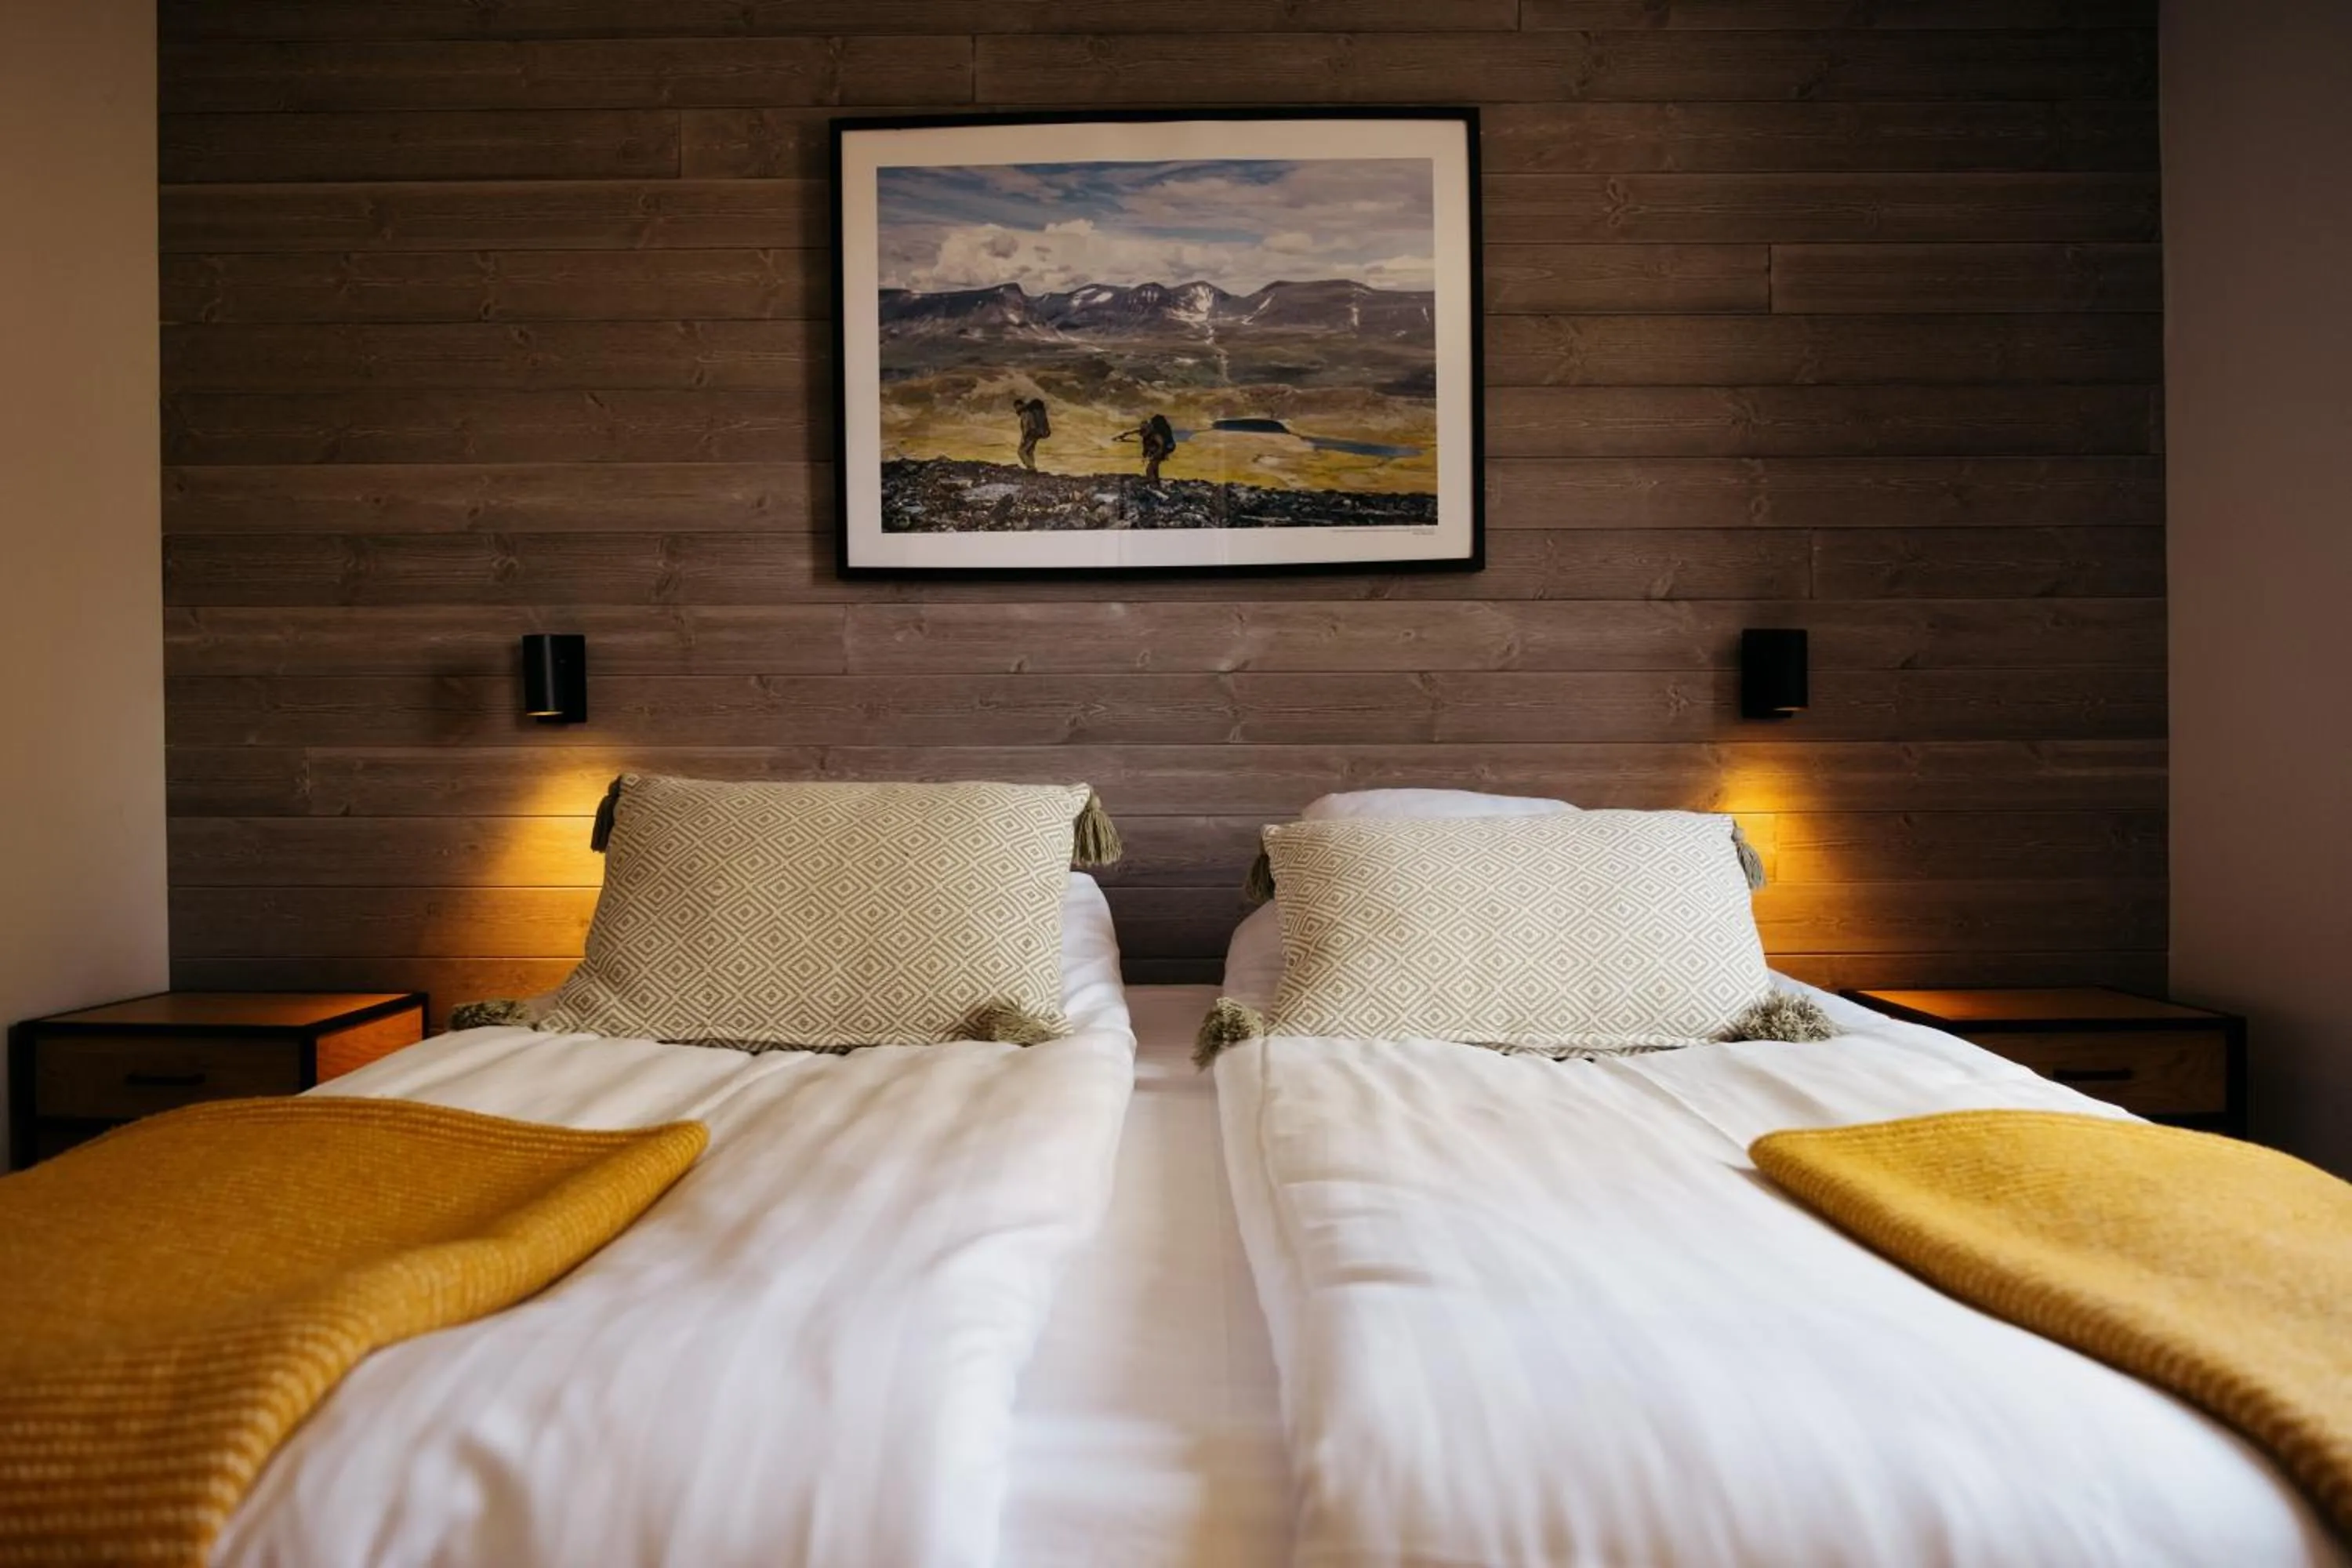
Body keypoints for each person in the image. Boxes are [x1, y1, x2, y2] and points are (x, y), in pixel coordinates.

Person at [1115, 412, 1176, 482]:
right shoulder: (1146, 433)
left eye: (1144, 429)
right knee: (1154, 467)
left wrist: (1158, 453)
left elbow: (1161, 445)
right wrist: (1123, 436)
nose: (1142, 433)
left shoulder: (1155, 435)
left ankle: (1152, 482)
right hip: (1159, 450)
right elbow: (1134, 432)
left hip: (1162, 450)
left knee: (1150, 468)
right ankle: (1156, 482)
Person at [1014, 397, 1051, 471]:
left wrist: (1024, 438)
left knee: (1021, 451)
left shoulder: (1024, 413)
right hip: (1037, 432)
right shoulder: (1030, 411)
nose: (1016, 409)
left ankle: (1031, 467)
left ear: (1018, 405)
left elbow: (1026, 426)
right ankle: (1032, 466)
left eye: (1016, 407)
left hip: (1030, 434)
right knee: (1030, 451)